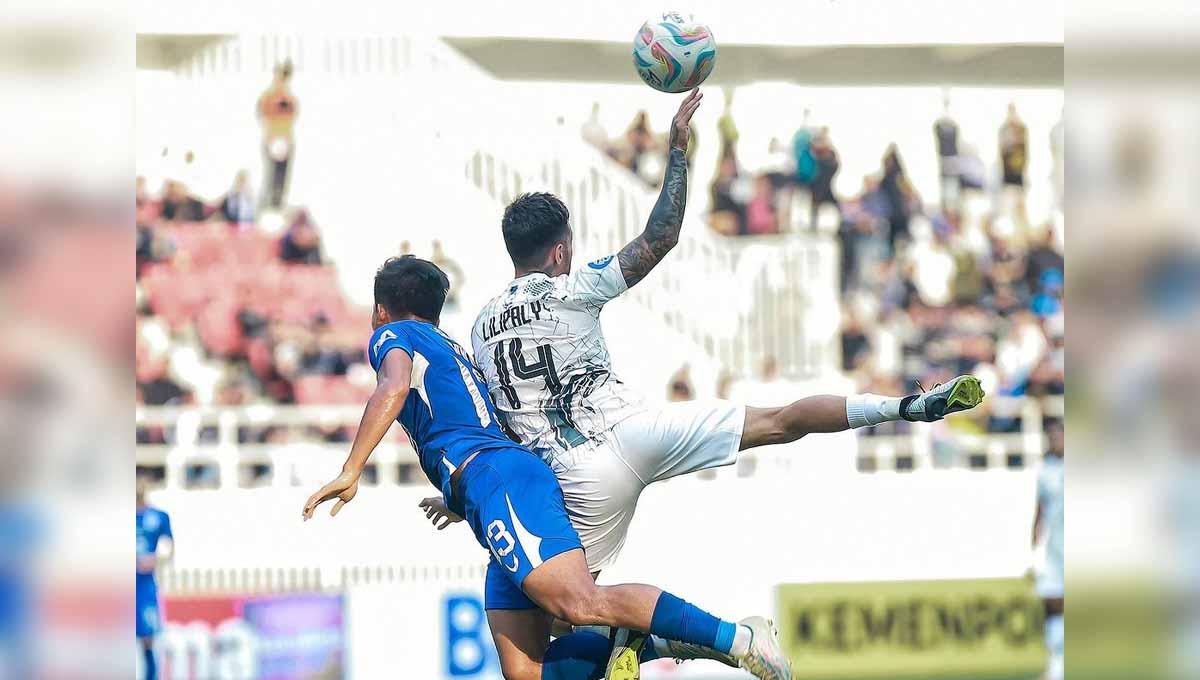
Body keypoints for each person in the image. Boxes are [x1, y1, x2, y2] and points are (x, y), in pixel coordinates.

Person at [455, 89, 984, 675]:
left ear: (514, 252)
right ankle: (903, 407)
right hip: (637, 428)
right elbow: (660, 237)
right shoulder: (574, 286)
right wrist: (678, 151)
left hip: (578, 476)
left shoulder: (480, 328)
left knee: (566, 619)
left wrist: (466, 496)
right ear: (563, 249)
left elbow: (492, 425)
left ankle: (673, 640)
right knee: (776, 421)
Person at [301, 251, 791, 680]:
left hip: (497, 483)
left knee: (578, 605)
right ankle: (649, 641)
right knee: (525, 671)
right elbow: (474, 425)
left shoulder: (391, 336)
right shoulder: (449, 348)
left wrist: (352, 468)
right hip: (491, 485)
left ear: (379, 309)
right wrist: (456, 495)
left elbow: (393, 389)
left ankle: (740, 640)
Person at [1032, 421, 1064, 680]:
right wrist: (1032, 549)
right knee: (1053, 603)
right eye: (1051, 436)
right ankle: (1056, 662)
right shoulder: (1045, 470)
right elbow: (1039, 509)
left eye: (1059, 436)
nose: (1055, 441)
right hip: (1054, 549)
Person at [136, 476, 174, 680]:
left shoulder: (158, 517)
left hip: (144, 588)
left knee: (148, 640)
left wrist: (156, 560)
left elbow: (168, 548)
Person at [258, 60, 299, 209]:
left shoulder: (289, 98)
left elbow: (293, 114)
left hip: (285, 139)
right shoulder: (269, 97)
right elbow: (264, 113)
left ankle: (278, 201)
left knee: (281, 175)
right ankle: (270, 201)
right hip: (274, 138)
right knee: (272, 173)